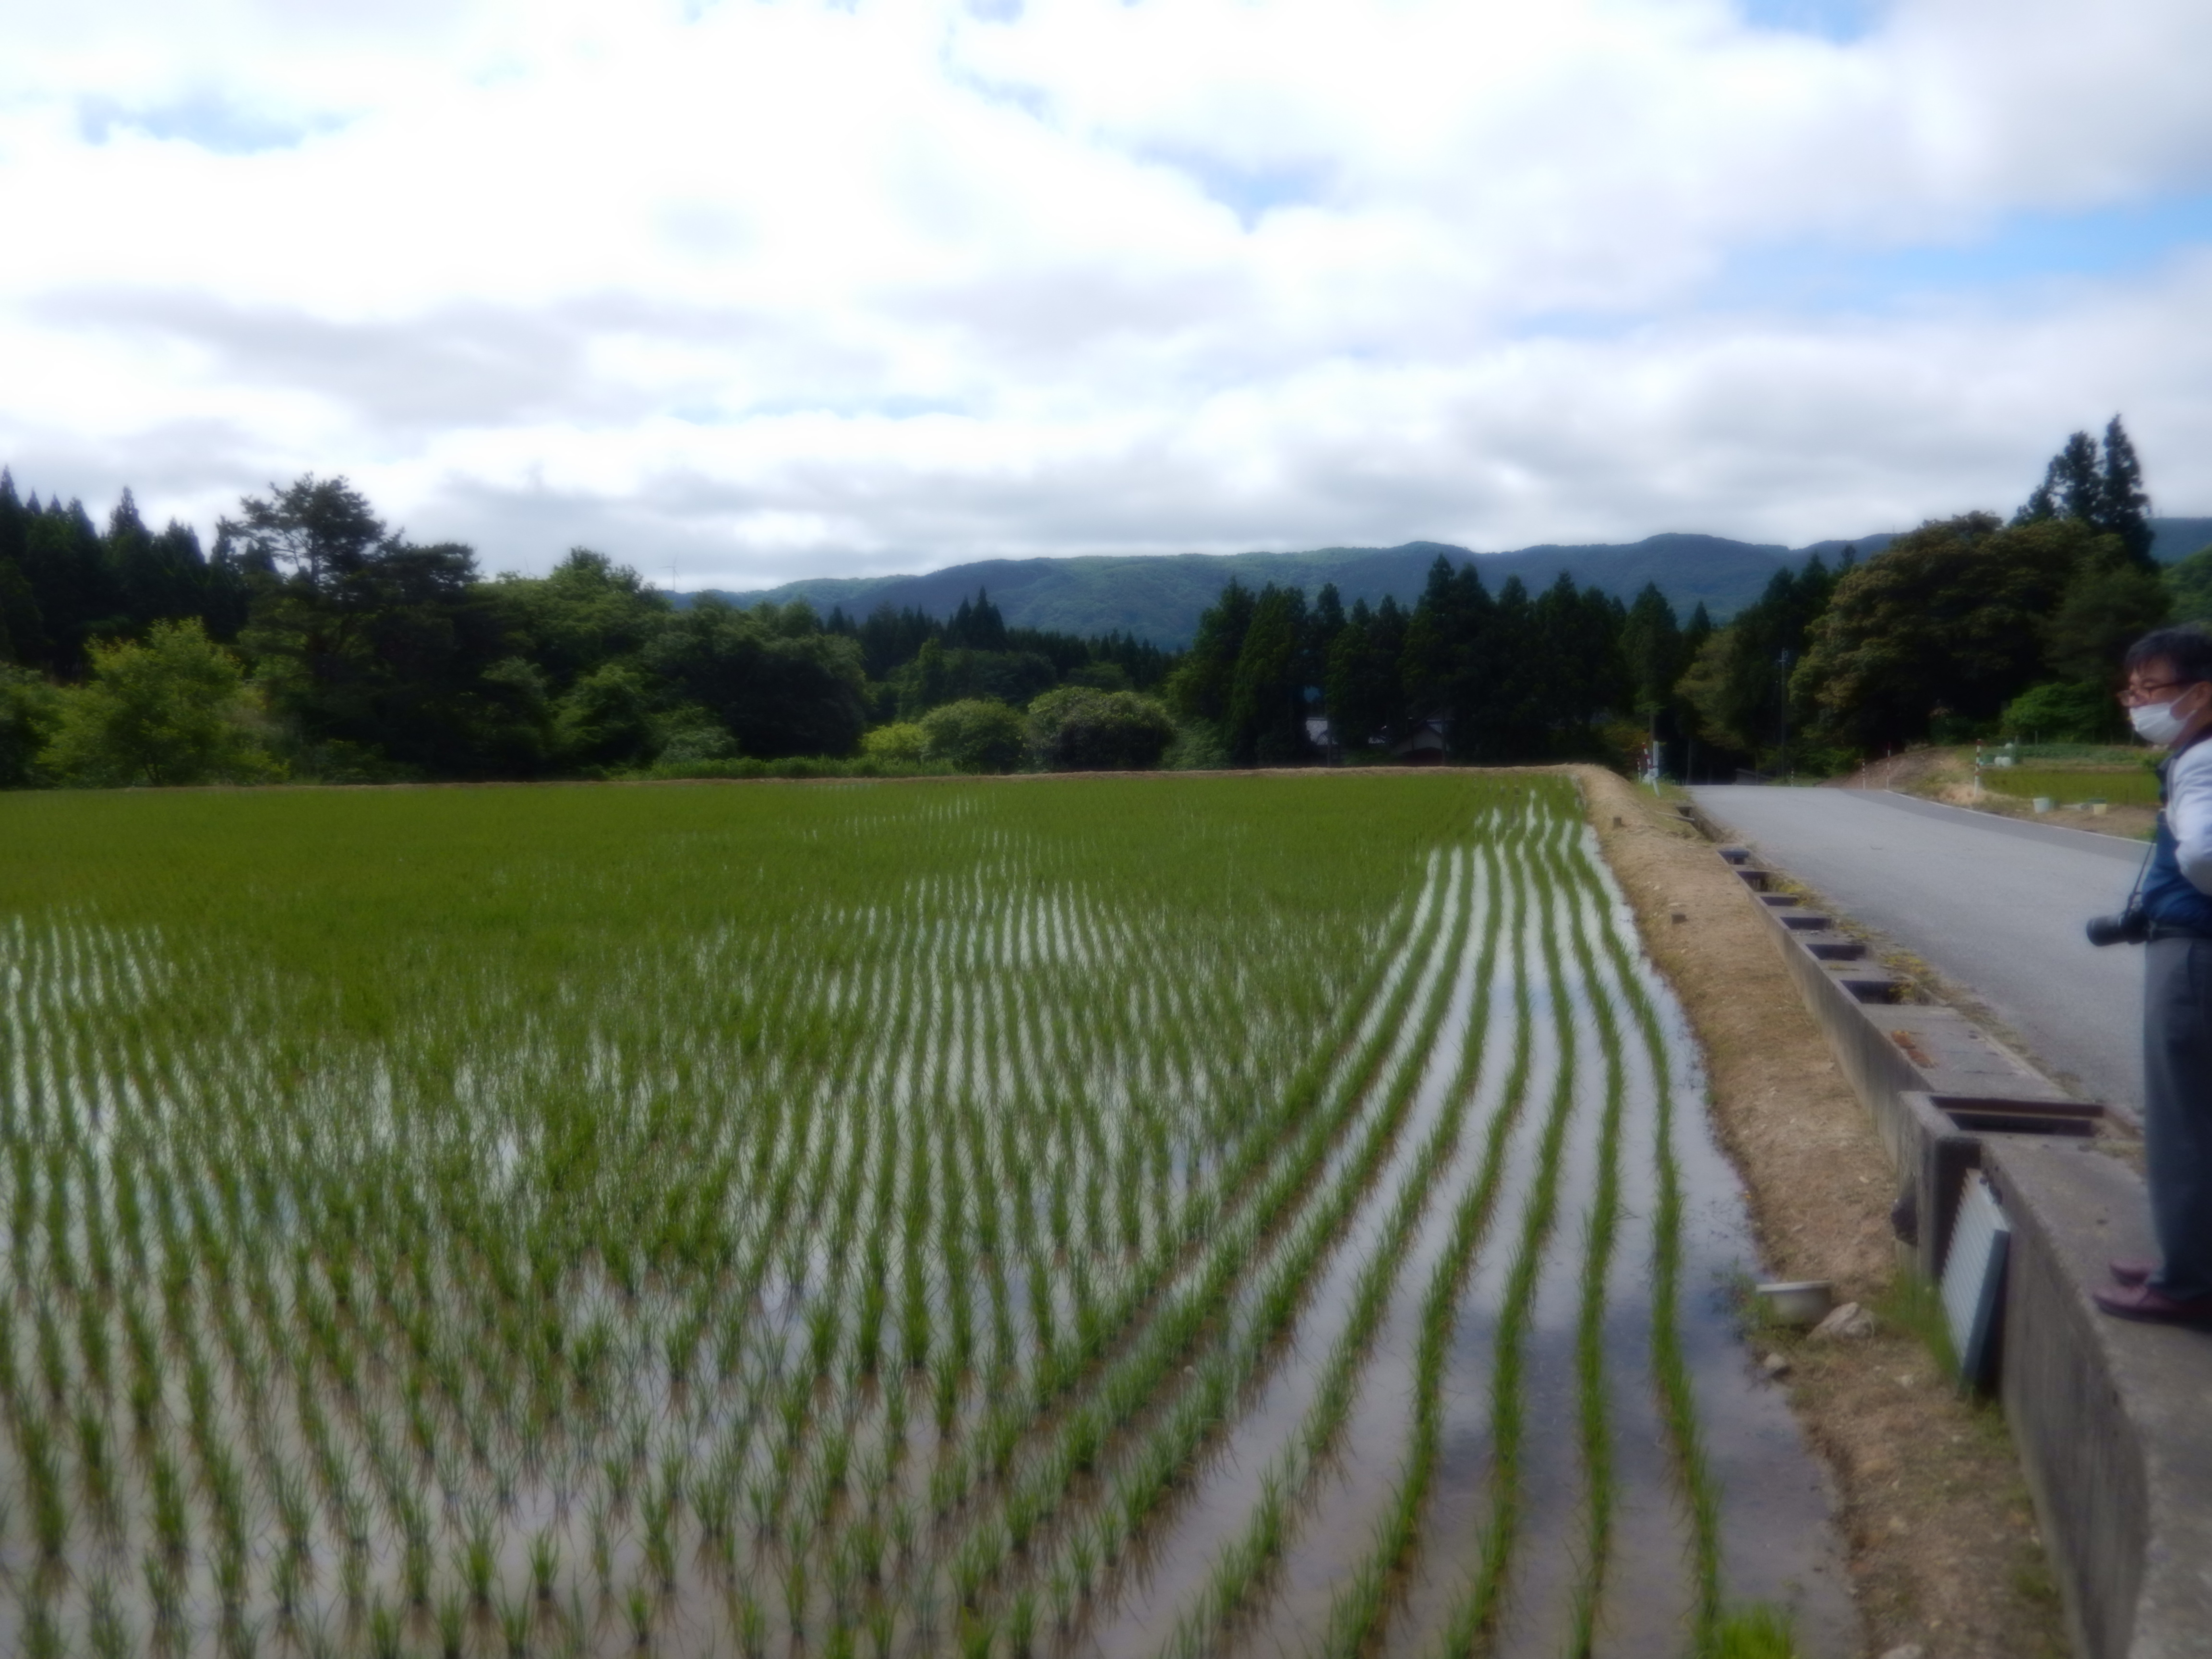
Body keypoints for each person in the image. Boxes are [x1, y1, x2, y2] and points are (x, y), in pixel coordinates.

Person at [2097, 625, 2212, 1323]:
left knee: (2183, 1126)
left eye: (2151, 690)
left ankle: (2186, 1283)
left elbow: (2203, 856)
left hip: (2193, 954)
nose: (2137, 704)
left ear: (2201, 694)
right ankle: (2188, 1258)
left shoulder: (2201, 761)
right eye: (2131, 691)